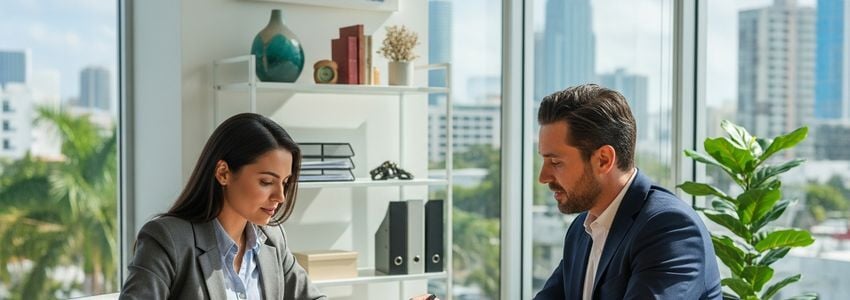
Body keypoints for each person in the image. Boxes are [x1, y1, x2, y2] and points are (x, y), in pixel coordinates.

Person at [533, 84, 721, 299]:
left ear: (603, 160)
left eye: (555, 162)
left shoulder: (669, 228)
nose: (543, 177)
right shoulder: (582, 229)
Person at [120, 113, 326, 299]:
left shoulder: (272, 239)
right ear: (223, 173)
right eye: (266, 182)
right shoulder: (167, 240)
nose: (280, 196)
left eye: (285, 183)